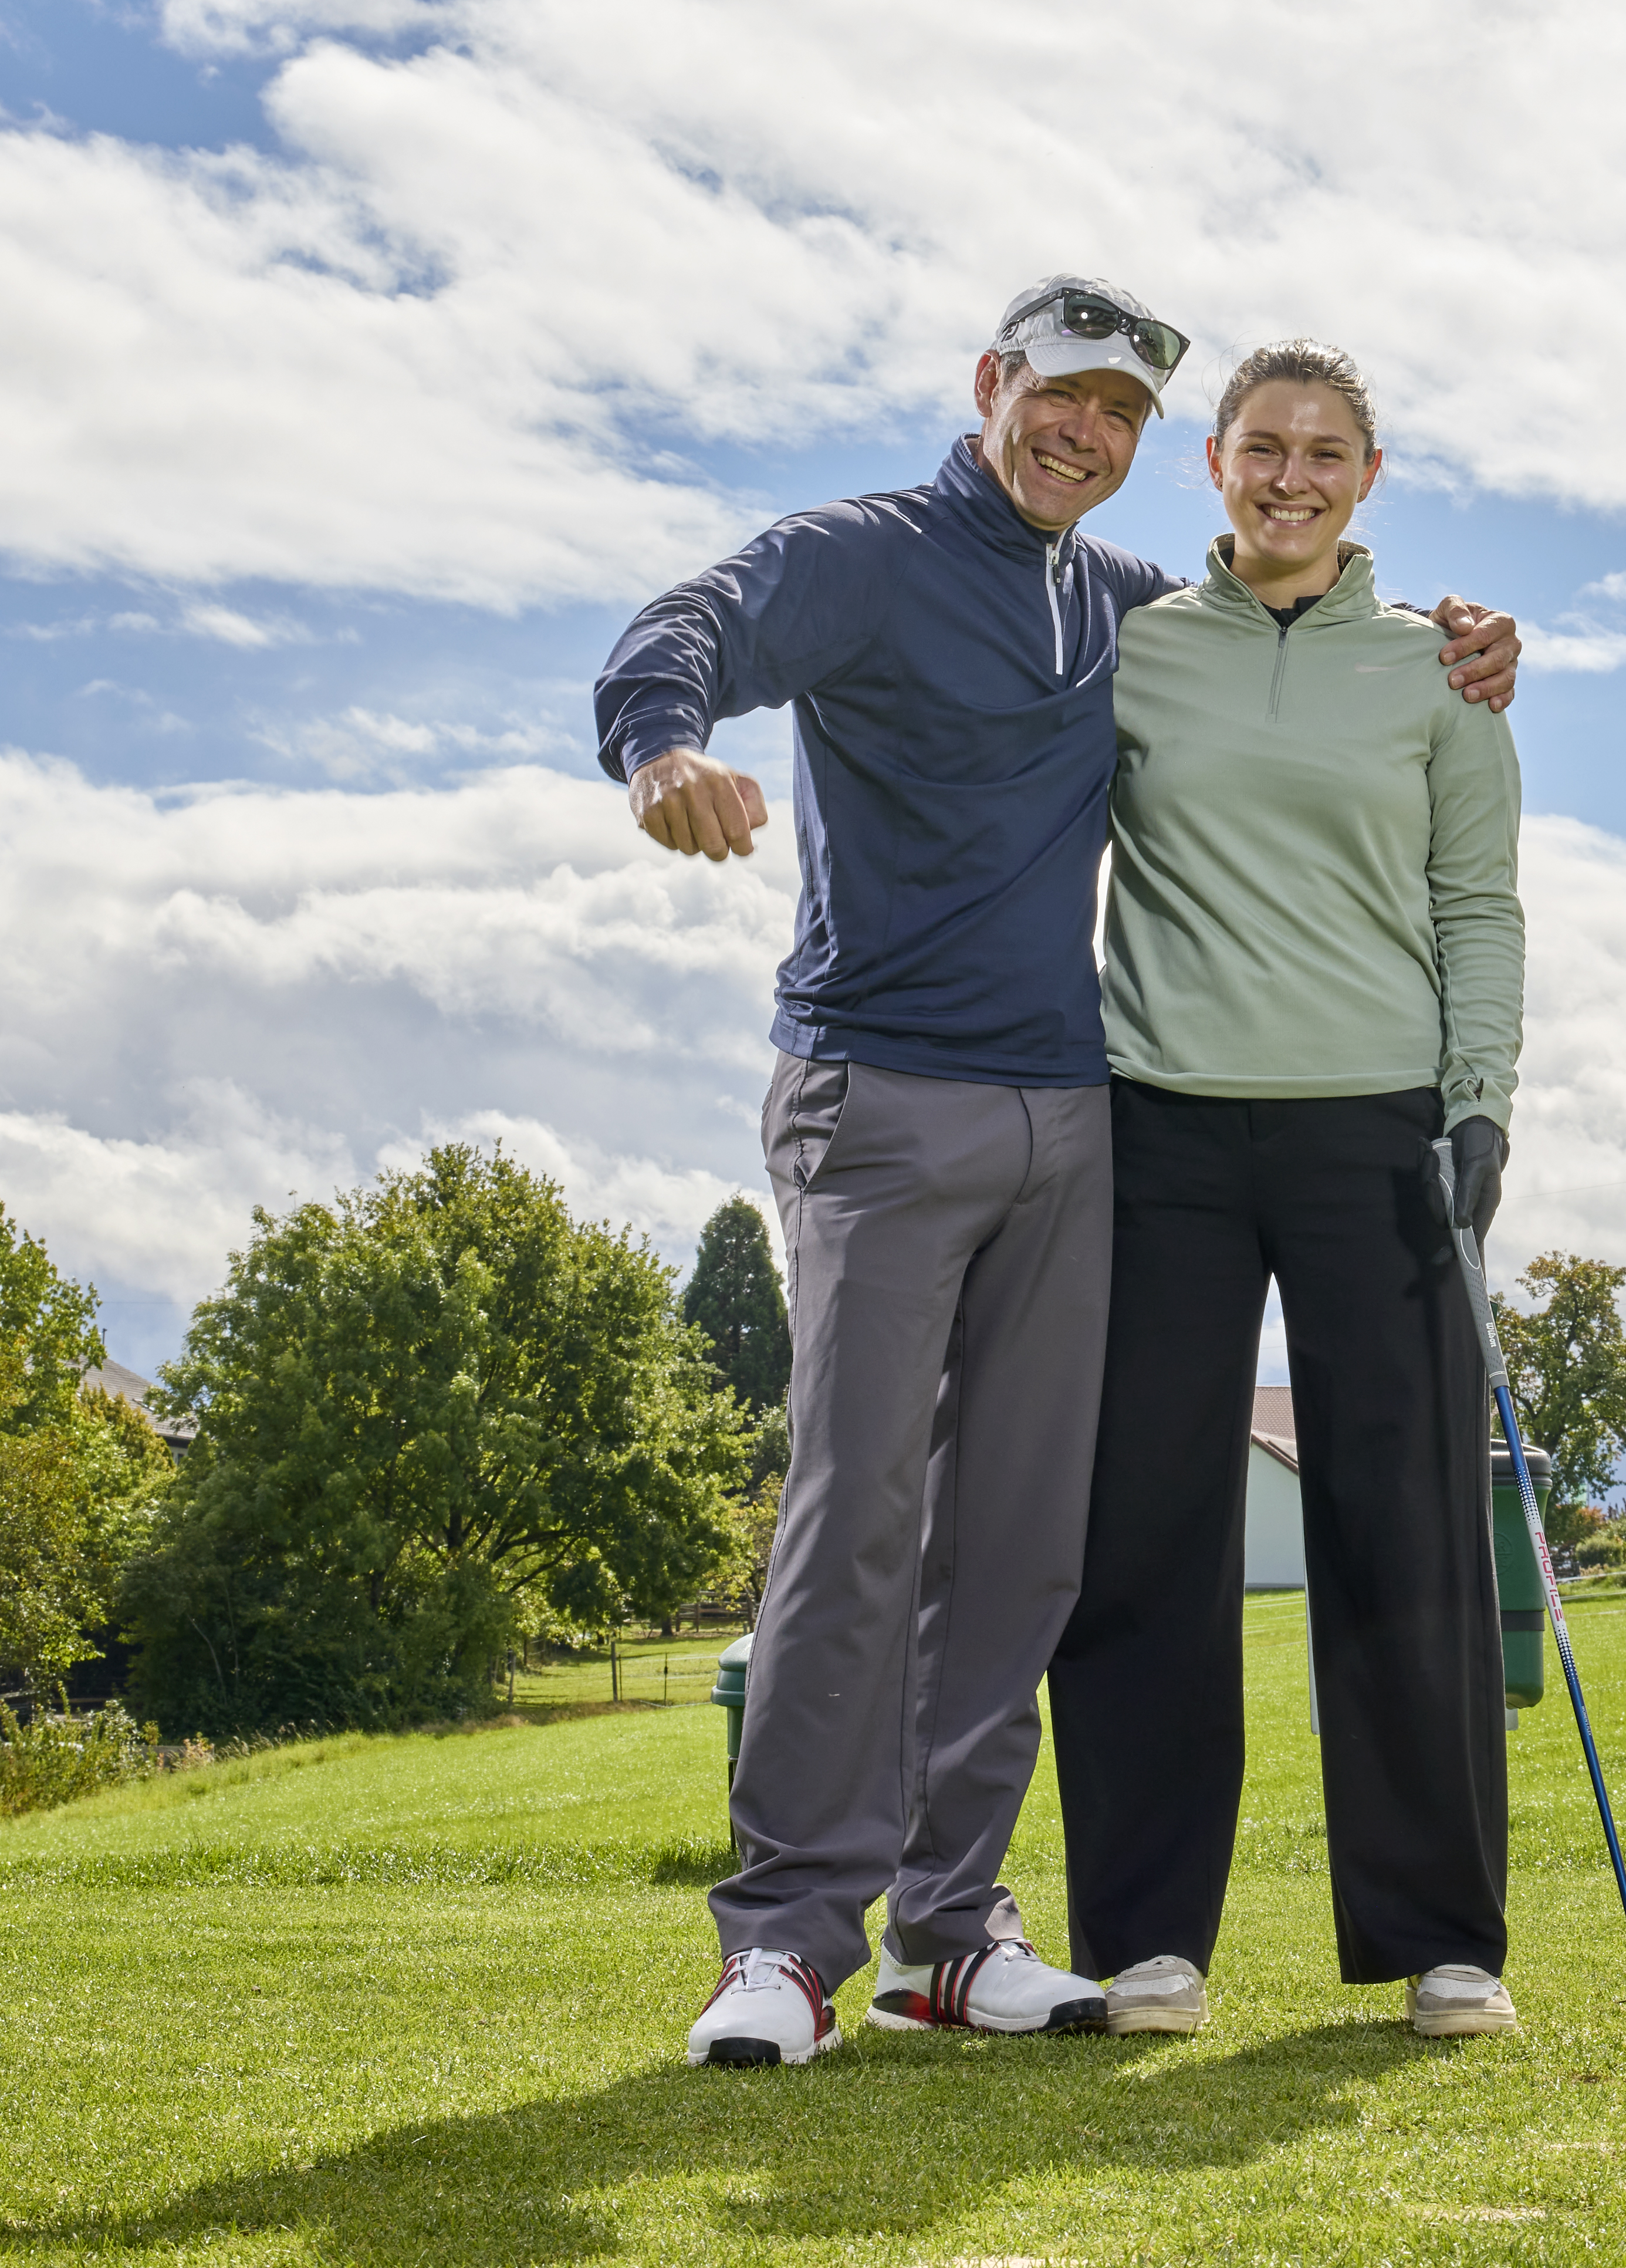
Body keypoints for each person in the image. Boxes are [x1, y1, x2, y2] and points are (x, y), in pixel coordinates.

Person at [593, 279, 1524, 2067]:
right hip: (1003, 1106)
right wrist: (663, 743)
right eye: (1060, 396)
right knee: (963, 1533)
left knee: (1099, 1542)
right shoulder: (991, 587)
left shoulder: (1273, 638)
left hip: (1198, 1119)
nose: (1082, 432)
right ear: (999, 390)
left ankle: (999, 1932)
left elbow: (1440, 841)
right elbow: (700, 622)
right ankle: (916, 1934)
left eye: (1116, 413)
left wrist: (1475, 1088)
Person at [1047, 339, 1524, 2041]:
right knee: (1140, 1535)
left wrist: (1480, 1104)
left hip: (1377, 1135)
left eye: (1326, 450)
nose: (1292, 474)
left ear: (1367, 479)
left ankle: (1442, 1937)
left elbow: (1478, 904)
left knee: (1405, 1534)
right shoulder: (1133, 648)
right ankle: (1146, 1939)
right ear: (1217, 466)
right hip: (1160, 1131)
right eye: (1263, 446)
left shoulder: (1439, 677)